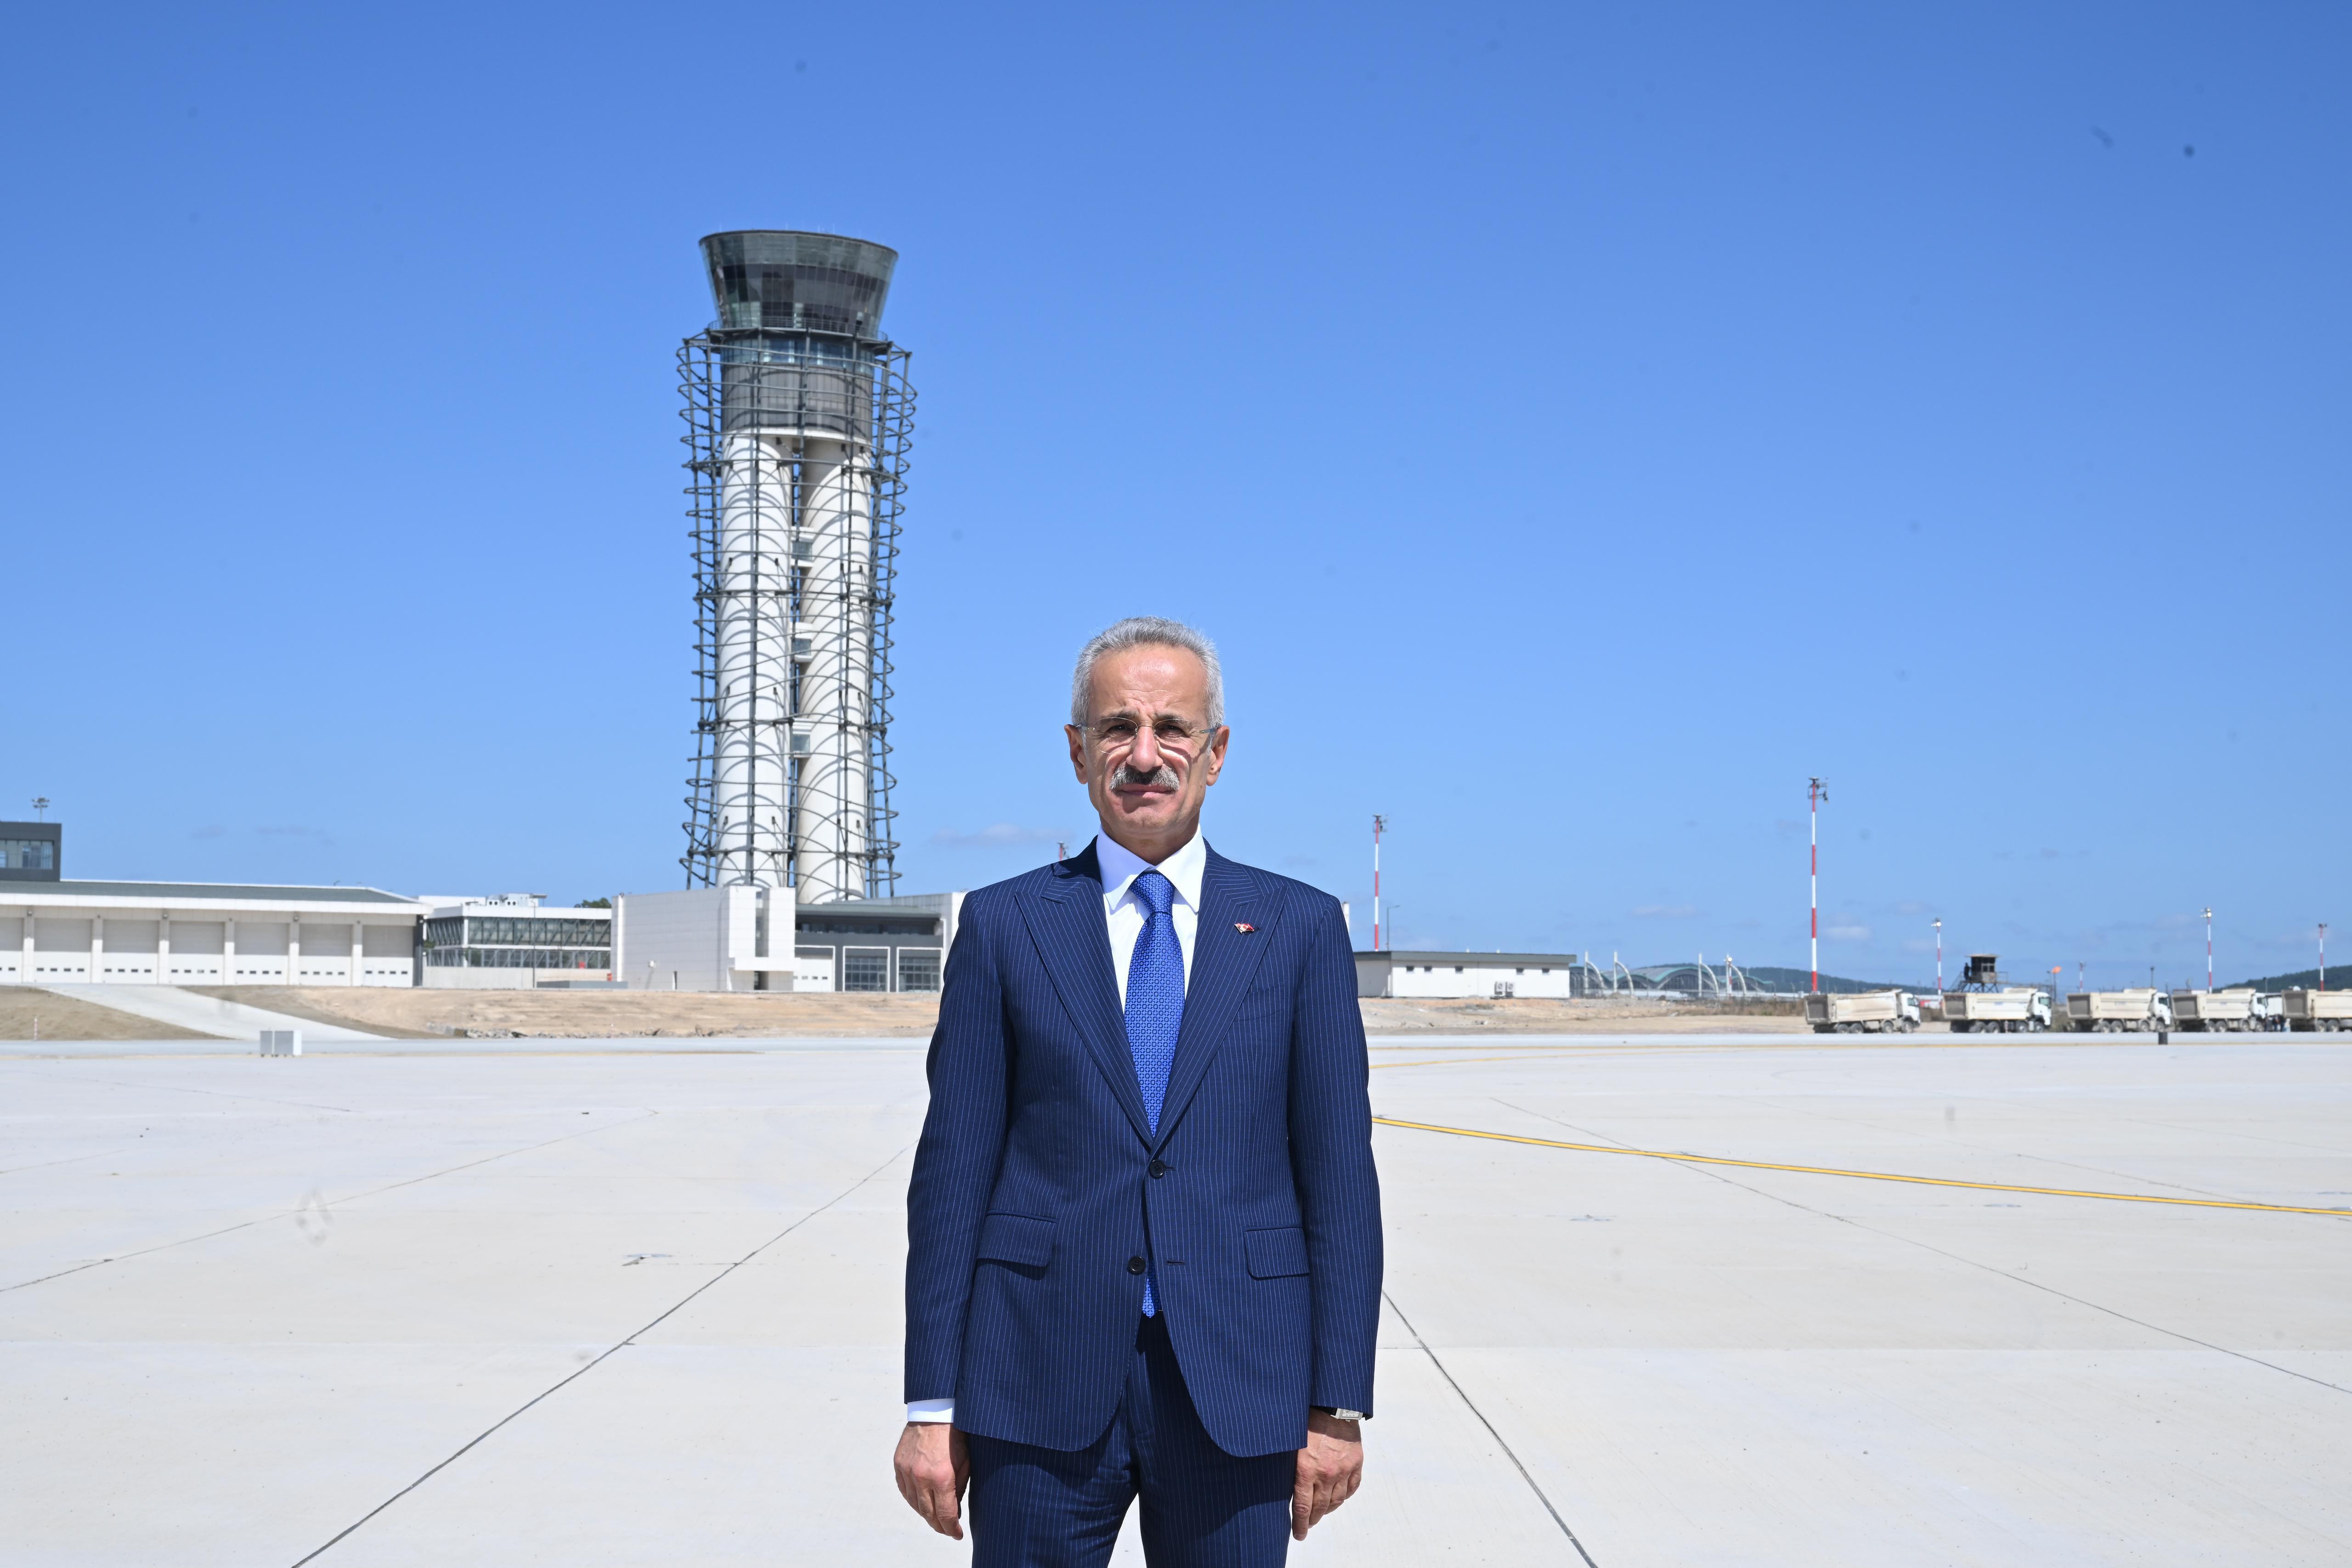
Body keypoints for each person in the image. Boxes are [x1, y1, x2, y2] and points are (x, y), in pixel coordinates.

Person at [893, 616, 1383, 1567]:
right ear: (1078, 752)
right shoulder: (1004, 928)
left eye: (1172, 728)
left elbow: (1338, 1185)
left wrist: (1337, 1400)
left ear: (1217, 752)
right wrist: (930, 1405)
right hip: (1034, 1380)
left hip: (1240, 1385)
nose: (1144, 755)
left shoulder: (1298, 928)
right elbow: (952, 1180)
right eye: (1118, 728)